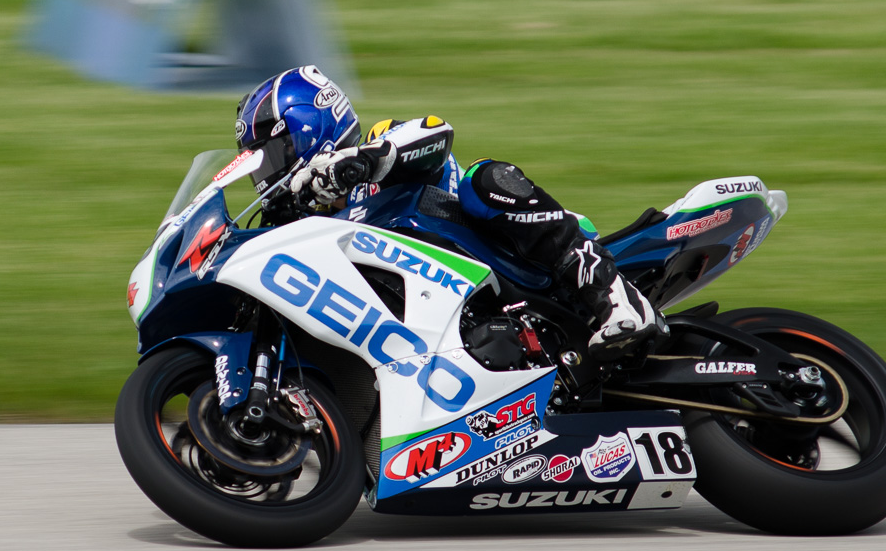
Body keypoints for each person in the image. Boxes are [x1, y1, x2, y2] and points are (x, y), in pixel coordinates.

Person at [234, 65, 661, 361]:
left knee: (484, 180)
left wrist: (355, 165)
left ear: (308, 127)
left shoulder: (378, 146)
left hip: (521, 265)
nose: (267, 173)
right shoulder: (311, 230)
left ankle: (616, 299)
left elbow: (438, 131)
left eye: (271, 155)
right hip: (463, 324)